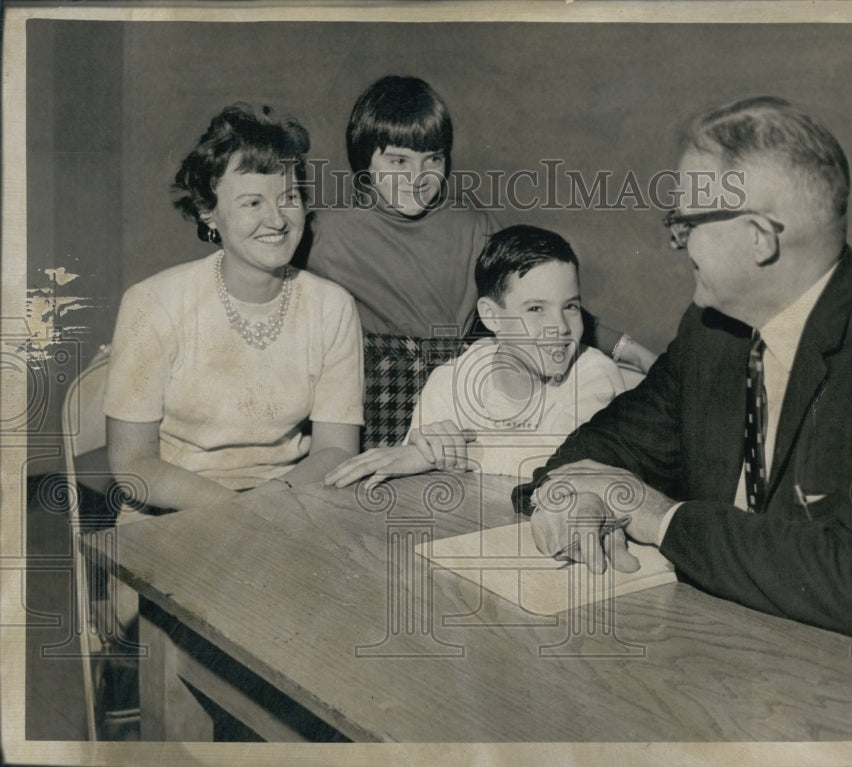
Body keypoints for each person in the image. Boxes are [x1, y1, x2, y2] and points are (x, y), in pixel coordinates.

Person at [515, 97, 852, 639]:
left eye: (687, 222)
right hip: (719, 645)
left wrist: (660, 517)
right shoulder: (710, 331)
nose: (675, 241)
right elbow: (599, 451)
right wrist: (567, 499)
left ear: (758, 237)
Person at [304, 75, 657, 447]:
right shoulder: (324, 232)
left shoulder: (474, 225)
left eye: (432, 159)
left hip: (465, 398)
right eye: (398, 161)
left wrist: (631, 350)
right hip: (373, 404)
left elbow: (544, 299)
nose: (417, 178)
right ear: (365, 161)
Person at [104, 104, 364, 511]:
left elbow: (337, 449)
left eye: (289, 197)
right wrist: (238, 514)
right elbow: (133, 463)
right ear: (209, 212)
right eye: (252, 203)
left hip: (288, 505)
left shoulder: (333, 307)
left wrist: (271, 503)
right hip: (172, 512)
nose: (277, 219)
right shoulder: (152, 302)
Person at [325, 224, 628, 490]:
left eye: (570, 307)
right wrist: (426, 454)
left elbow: (562, 464)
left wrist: (448, 455)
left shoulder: (594, 374)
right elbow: (414, 475)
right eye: (536, 309)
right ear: (491, 316)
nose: (560, 328)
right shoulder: (450, 381)